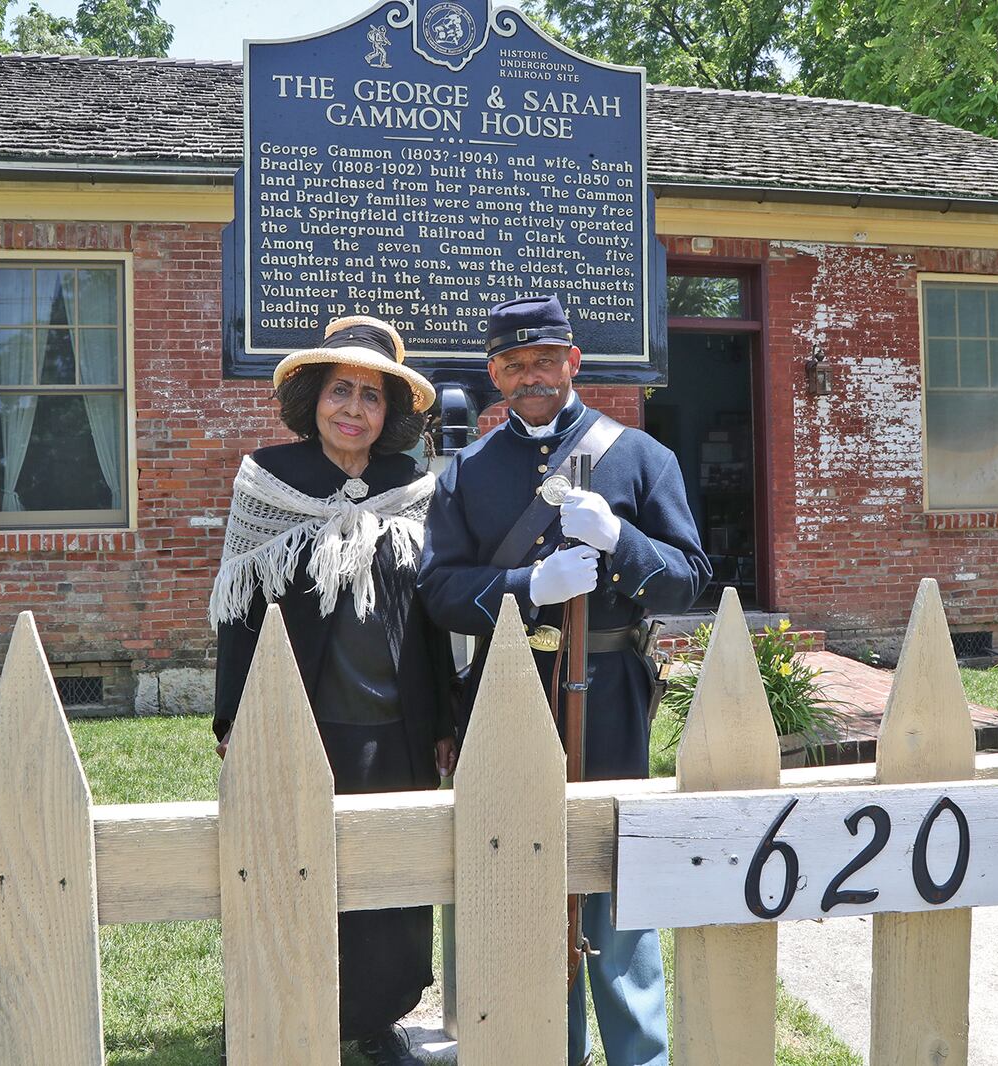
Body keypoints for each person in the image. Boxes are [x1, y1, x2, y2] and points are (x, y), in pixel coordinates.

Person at [417, 294, 711, 1066]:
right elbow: (440, 588)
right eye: (512, 366)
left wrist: (622, 539)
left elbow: (688, 583)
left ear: (572, 361)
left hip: (610, 688)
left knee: (614, 874)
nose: (530, 376)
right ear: (494, 376)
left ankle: (638, 1054)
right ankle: (548, 1048)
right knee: (520, 867)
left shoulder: (643, 458)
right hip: (509, 687)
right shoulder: (468, 472)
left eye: (543, 361)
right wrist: (525, 585)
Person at [210, 315, 456, 1066]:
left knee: (390, 879)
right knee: (291, 867)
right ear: (314, 397)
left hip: (398, 721)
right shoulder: (267, 479)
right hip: (302, 722)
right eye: (340, 390)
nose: (353, 408)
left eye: (372, 397)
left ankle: (377, 1021)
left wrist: (446, 716)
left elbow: (437, 616)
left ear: (391, 414)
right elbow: (237, 607)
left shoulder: (415, 488)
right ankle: (286, 1007)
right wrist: (234, 716)